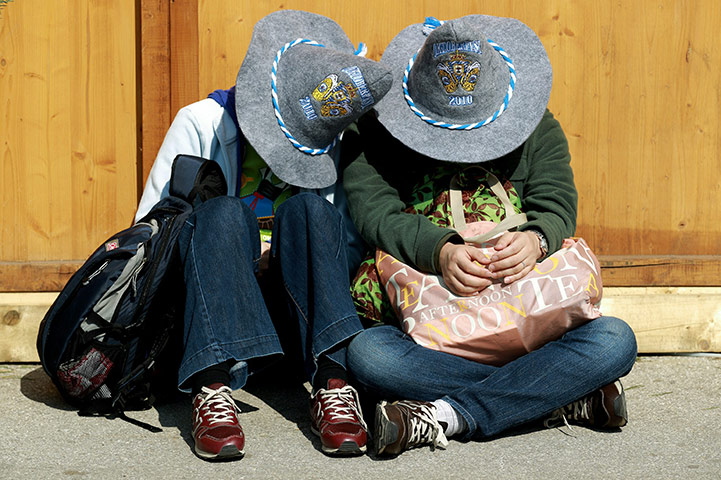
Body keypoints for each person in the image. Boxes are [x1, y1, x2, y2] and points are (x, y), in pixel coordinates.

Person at [341, 15, 638, 456]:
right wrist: (438, 252)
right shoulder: (372, 134)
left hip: (532, 321)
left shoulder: (539, 125)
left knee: (615, 340)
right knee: (370, 354)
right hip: (431, 332)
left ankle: (443, 416)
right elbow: (374, 212)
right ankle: (558, 394)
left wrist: (537, 239)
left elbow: (556, 201)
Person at [136, 10, 392, 460]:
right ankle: (212, 388)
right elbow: (152, 236)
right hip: (208, 315)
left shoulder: (331, 133)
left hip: (297, 319)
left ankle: (334, 381)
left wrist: (284, 253)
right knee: (223, 214)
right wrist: (243, 253)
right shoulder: (199, 123)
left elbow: (346, 247)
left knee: (311, 210)